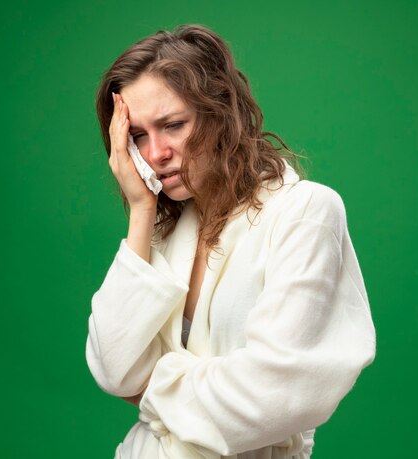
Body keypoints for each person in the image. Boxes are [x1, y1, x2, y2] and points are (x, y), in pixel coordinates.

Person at [86, 24, 376, 459]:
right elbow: (113, 369)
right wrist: (142, 211)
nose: (154, 154)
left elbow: (273, 396)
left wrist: (151, 388)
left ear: (220, 112)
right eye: (139, 136)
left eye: (173, 125)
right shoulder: (166, 228)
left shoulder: (305, 213)